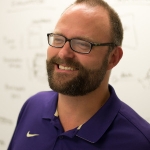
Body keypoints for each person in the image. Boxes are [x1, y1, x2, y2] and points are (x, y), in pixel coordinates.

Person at [8, 0, 150, 149]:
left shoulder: (140, 142)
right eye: (58, 39)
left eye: (82, 43)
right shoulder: (33, 106)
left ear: (113, 57)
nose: (63, 53)